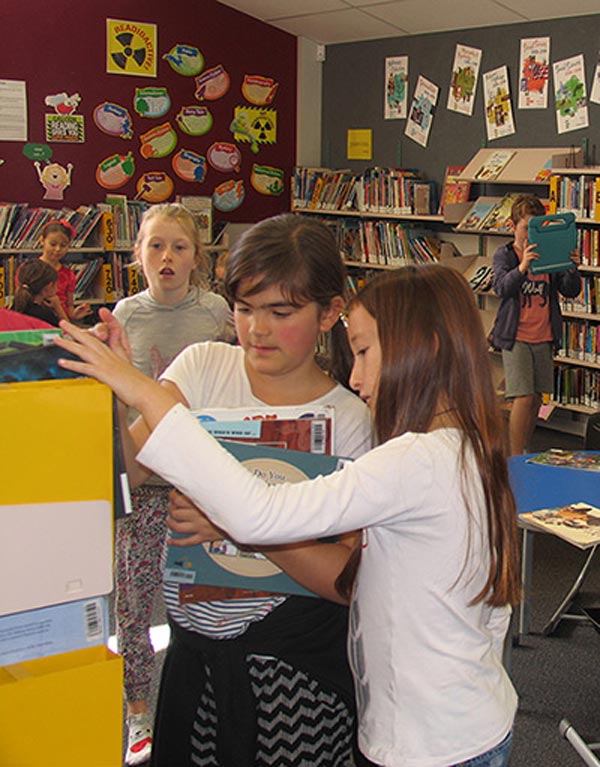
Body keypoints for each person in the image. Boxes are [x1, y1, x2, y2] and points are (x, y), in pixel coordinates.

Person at [57, 263, 520, 767]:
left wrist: (139, 387)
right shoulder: (465, 448)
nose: (357, 378)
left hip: (433, 747)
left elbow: (261, 514)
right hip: (458, 726)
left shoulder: (417, 460)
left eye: (364, 352)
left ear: (426, 346)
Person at [111, 202, 235, 766]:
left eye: (178, 247)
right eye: (155, 246)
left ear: (196, 258)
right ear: (138, 255)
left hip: (196, 484)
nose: (166, 257)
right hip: (143, 483)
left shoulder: (217, 314)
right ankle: (138, 709)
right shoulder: (126, 315)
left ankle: (205, 699)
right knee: (134, 603)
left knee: (204, 597)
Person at [489, 194, 582, 455]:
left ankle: (526, 447)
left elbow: (570, 290)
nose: (530, 235)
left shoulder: (549, 255)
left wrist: (572, 269)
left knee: (536, 399)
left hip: (543, 334)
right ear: (512, 227)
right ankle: (515, 455)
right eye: (525, 228)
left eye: (535, 227)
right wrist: (522, 267)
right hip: (516, 335)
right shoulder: (505, 254)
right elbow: (501, 288)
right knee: (523, 396)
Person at [38, 219, 92, 322]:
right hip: (38, 320)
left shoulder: (68, 274)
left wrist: (75, 314)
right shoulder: (30, 270)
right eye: (53, 244)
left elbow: (69, 305)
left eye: (63, 245)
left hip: (61, 321)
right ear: (42, 241)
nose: (58, 249)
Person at [11, 259, 60, 326]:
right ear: (49, 286)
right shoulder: (46, 315)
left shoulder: (12, 308)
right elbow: (67, 333)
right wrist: (58, 308)